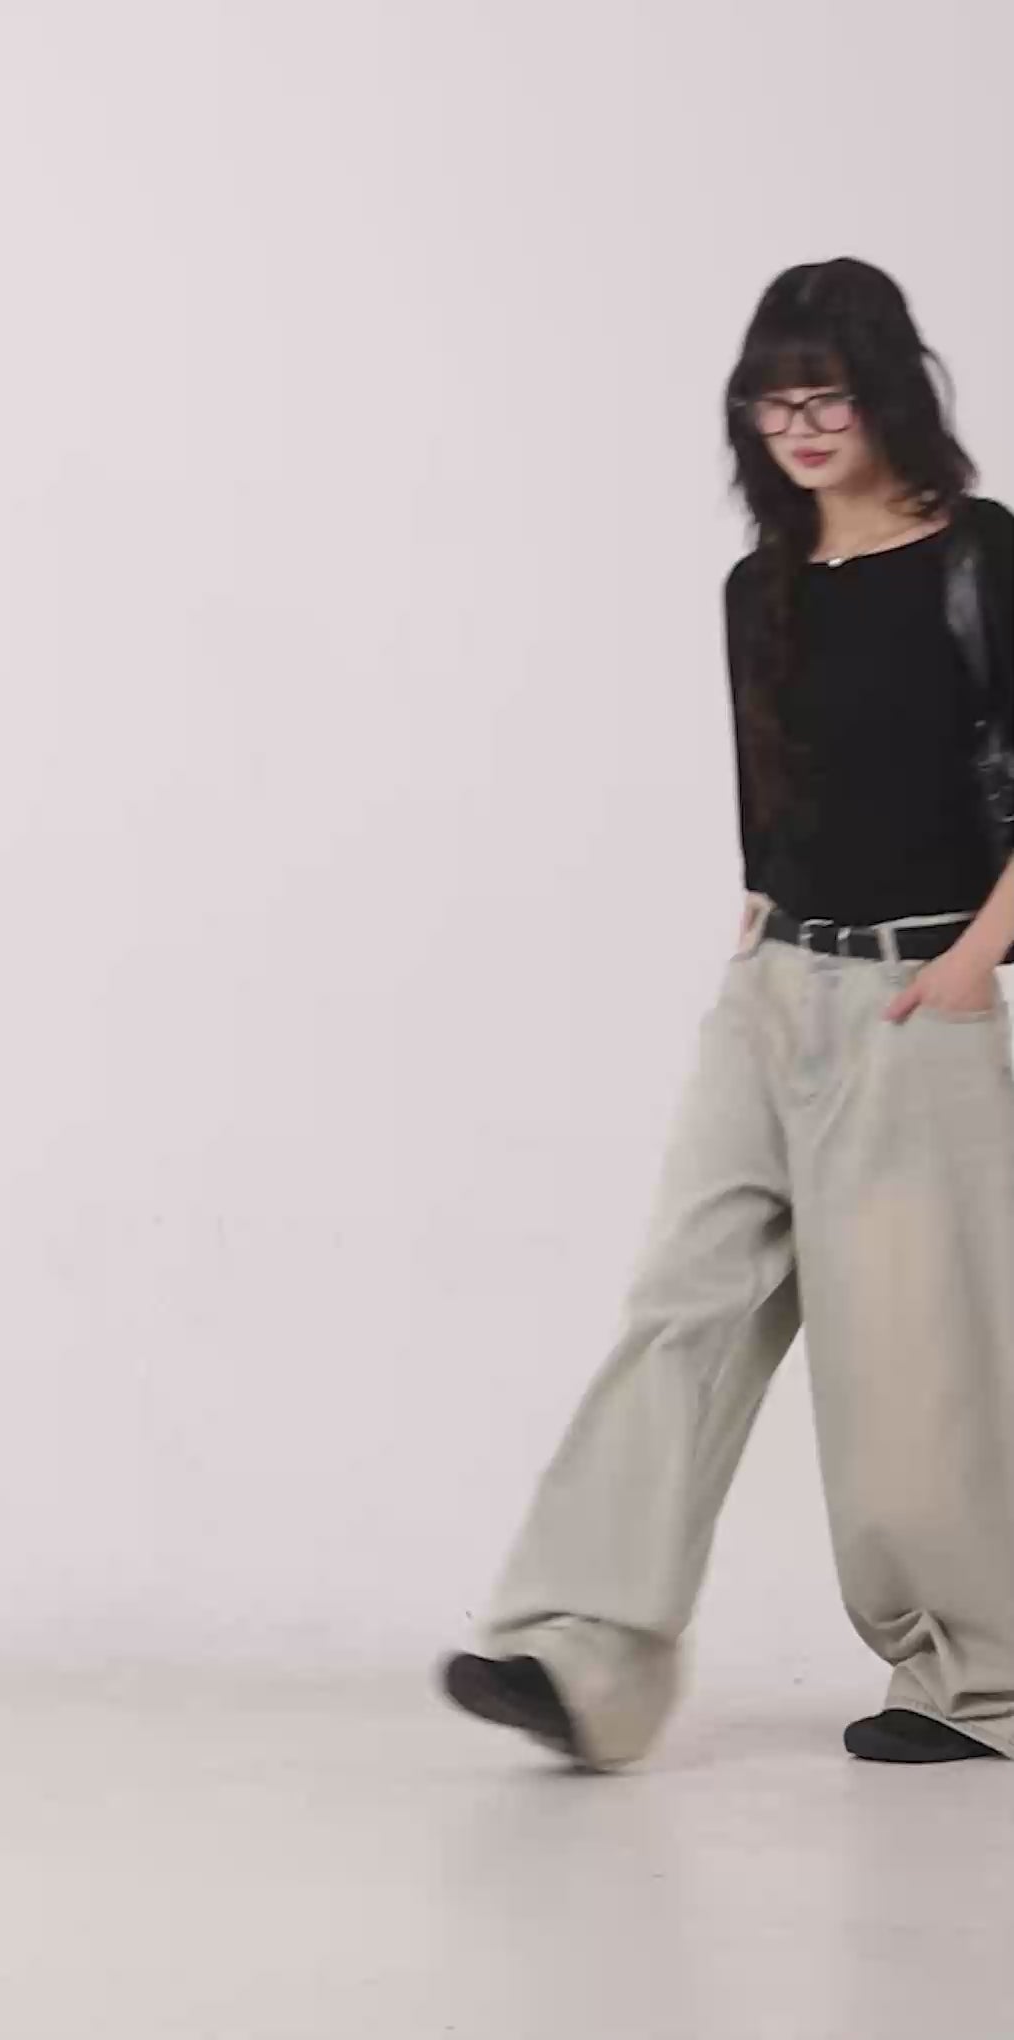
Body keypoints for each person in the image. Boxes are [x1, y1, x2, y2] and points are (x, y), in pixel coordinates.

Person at [437, 256, 1014, 1768]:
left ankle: (980, 1684)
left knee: (910, 1368)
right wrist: (759, 920)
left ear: (891, 392)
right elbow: (779, 799)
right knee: (683, 1302)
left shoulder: (983, 559)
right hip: (771, 996)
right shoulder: (759, 588)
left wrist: (973, 962)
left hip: (918, 998)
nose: (801, 426)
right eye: (773, 401)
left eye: (828, 395)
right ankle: (584, 1658)